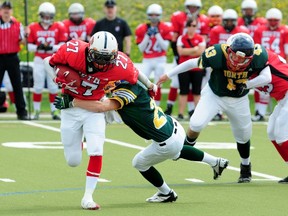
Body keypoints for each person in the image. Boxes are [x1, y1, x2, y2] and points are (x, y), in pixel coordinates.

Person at [53, 79, 229, 203]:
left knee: (139, 163)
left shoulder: (125, 94)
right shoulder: (133, 86)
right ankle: (215, 161)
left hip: (166, 140)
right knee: (177, 152)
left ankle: (166, 193)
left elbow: (102, 107)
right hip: (172, 126)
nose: (109, 85)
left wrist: (73, 102)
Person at [43, 31, 157, 210]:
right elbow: (47, 62)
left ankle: (88, 197)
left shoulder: (120, 63)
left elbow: (134, 71)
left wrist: (150, 84)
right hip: (70, 107)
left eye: (107, 59)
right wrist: (57, 79)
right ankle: (79, 140)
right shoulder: (73, 50)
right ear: (89, 51)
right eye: (98, 57)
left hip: (94, 106)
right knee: (73, 161)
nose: (102, 63)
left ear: (114, 56)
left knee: (96, 149)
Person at [157, 33, 271, 183]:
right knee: (196, 123)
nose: (236, 60)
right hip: (214, 94)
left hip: (239, 99)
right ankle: (186, 150)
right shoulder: (217, 53)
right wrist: (168, 74)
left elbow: (267, 77)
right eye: (234, 55)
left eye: (241, 58)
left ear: (250, 57)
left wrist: (246, 85)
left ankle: (245, 166)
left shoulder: (259, 55)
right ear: (228, 50)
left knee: (243, 135)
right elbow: (193, 63)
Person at [245, 50, 288, 183]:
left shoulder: (260, 59)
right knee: (272, 132)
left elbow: (267, 78)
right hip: (283, 98)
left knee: (282, 133)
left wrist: (244, 85)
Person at [164, 0, 210, 116]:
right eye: (190, 7)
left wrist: (189, 51)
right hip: (181, 61)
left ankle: (193, 111)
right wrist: (193, 50)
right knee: (178, 86)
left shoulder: (204, 21)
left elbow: (202, 48)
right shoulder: (178, 18)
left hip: (197, 64)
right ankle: (174, 109)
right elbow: (176, 42)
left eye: (195, 7)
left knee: (197, 89)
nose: (192, 9)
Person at [27, 2, 67, 120]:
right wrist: (39, 47)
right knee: (37, 86)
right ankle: (36, 111)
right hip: (39, 59)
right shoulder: (33, 27)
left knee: (53, 86)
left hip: (52, 59)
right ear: (40, 15)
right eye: (44, 15)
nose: (47, 18)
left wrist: (49, 47)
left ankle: (54, 111)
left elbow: (62, 45)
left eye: (49, 16)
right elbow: (29, 47)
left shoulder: (58, 26)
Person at [252, 8, 288, 121]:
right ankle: (260, 112)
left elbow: (287, 50)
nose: (273, 23)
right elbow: (256, 48)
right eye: (270, 20)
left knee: (278, 87)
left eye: (275, 20)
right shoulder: (259, 30)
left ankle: (280, 110)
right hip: (263, 61)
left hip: (278, 62)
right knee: (262, 85)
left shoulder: (285, 30)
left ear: (280, 20)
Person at [135, 3, 172, 106]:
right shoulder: (142, 28)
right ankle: (143, 104)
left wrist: (157, 34)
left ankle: (157, 105)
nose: (154, 17)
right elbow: (141, 48)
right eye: (152, 15)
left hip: (160, 58)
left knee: (158, 83)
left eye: (156, 15)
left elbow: (165, 47)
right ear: (148, 15)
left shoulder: (165, 27)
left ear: (159, 15)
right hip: (147, 58)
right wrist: (147, 35)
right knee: (142, 82)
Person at [0, 1, 28, 120]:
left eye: (8, 9)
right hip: (0, 57)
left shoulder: (17, 24)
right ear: (1, 10)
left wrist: (26, 35)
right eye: (4, 9)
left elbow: (22, 42)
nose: (6, 11)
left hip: (12, 56)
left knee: (17, 85)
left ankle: (21, 112)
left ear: (11, 11)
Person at [176, 18, 206, 120]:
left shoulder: (200, 38)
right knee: (183, 91)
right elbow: (181, 52)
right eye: (190, 26)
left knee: (197, 92)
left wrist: (187, 51)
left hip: (197, 68)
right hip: (184, 68)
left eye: (194, 26)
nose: (192, 28)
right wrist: (194, 49)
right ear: (187, 27)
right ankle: (180, 113)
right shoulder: (181, 38)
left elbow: (201, 52)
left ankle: (197, 113)